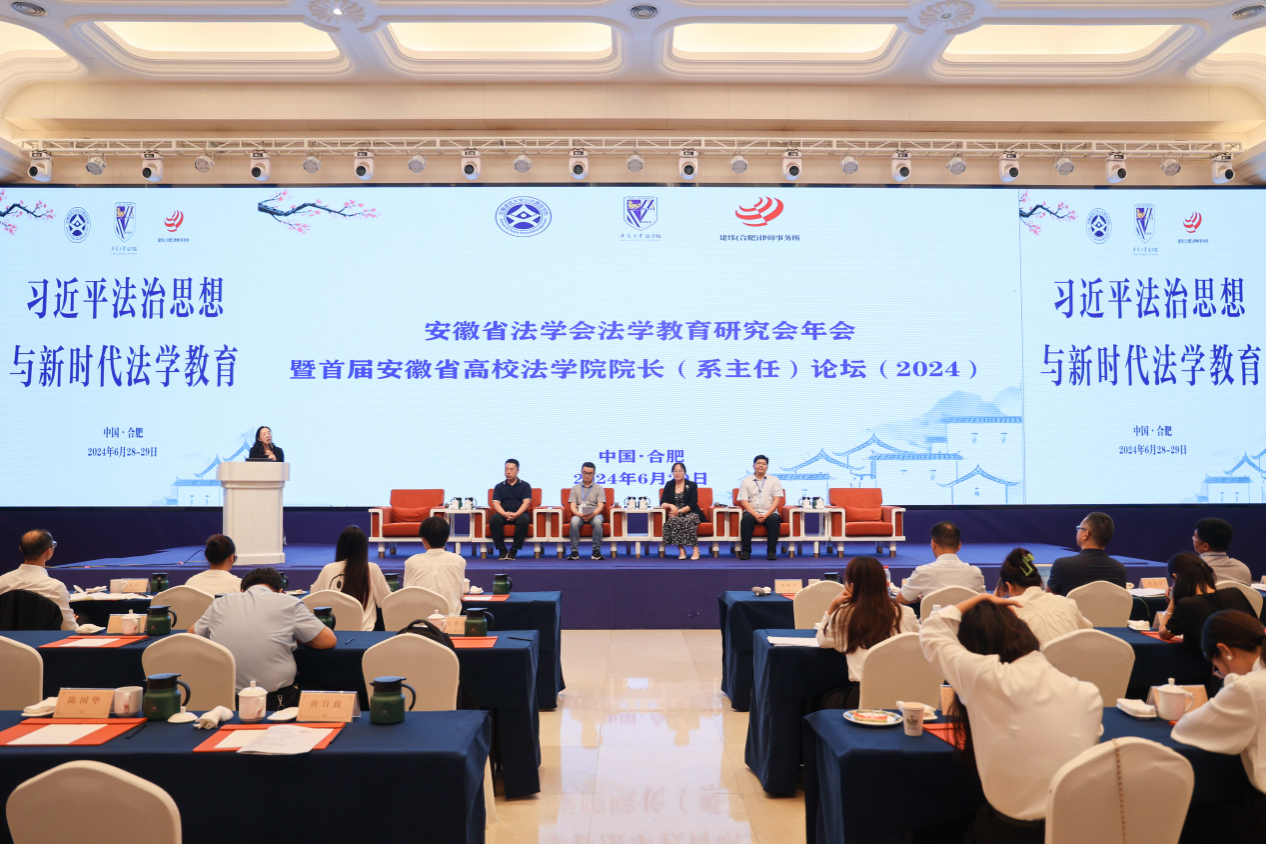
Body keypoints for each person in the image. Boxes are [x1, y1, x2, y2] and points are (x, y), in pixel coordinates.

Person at [921, 592, 1102, 842]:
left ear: (975, 648)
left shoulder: (988, 678)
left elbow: (932, 629)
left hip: (1006, 832)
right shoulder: (1088, 694)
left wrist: (980, 599)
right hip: (1073, 831)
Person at [1171, 610, 1266, 842]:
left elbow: (1187, 729)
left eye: (1216, 666)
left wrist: (1230, 683)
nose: (1220, 672)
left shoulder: (1248, 687)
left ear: (1225, 651)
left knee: (1194, 820)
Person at [190, 566, 335, 709]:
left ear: (242, 590)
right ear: (281, 591)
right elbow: (327, 641)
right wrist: (293, 637)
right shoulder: (288, 602)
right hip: (275, 700)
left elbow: (190, 638)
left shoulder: (219, 603)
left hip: (223, 701)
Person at [816, 556, 918, 707]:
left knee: (822, 698)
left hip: (864, 697)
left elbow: (823, 641)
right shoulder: (906, 612)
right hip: (906, 694)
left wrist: (833, 607)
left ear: (851, 586)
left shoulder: (844, 614)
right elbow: (920, 643)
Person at [1161, 552, 1255, 666]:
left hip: (1216, 669)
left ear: (1176, 578)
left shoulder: (1187, 605)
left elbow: (1163, 633)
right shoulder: (1234, 593)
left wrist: (1173, 602)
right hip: (1255, 663)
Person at [992, 547, 1091, 646]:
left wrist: (995, 599)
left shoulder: (1007, 612)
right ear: (1040, 584)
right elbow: (1089, 632)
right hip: (1070, 655)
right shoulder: (1067, 603)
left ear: (1009, 587)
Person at [311, 525, 391, 631]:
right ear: (363, 548)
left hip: (333, 632)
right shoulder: (372, 568)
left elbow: (314, 597)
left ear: (341, 546)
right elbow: (385, 602)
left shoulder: (328, 568)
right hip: (364, 633)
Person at [0, 529, 75, 630]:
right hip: (46, 639)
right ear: (48, 551)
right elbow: (67, 628)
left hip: (5, 638)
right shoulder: (56, 587)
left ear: (20, 548)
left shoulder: (2, 581)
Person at [898, 521, 985, 605]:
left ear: (933, 544)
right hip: (965, 616)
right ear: (959, 546)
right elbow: (983, 601)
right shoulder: (975, 572)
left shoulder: (922, 572)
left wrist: (920, 599)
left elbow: (901, 599)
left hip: (931, 616)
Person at [1046, 511, 1126, 596]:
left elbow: (1048, 597)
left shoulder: (1061, 565)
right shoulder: (1120, 569)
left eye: (1079, 528)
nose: (1077, 531)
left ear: (1085, 534)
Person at [403, 516, 467, 615]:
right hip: (450, 620)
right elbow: (459, 593)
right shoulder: (459, 560)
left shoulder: (411, 562)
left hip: (418, 620)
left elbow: (407, 592)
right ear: (447, 538)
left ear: (424, 539)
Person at [737, 455, 784, 561]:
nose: (761, 466)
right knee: (746, 519)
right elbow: (744, 501)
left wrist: (766, 514)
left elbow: (777, 500)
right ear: (753, 466)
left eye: (763, 464)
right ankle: (746, 551)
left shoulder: (774, 480)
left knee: (774, 519)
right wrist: (755, 514)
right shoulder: (746, 481)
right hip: (752, 512)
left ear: (767, 467)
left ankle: (771, 552)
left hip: (769, 512)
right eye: (758, 463)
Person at [489, 459, 532, 561]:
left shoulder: (525, 485)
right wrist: (504, 514)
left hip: (520, 513)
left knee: (524, 520)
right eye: (506, 469)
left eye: (511, 469)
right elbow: (496, 503)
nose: (508, 472)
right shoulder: (499, 486)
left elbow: (526, 503)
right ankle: (502, 550)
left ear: (517, 471)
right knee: (494, 520)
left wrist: (516, 514)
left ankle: (514, 550)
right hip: (503, 513)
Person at [661, 462, 704, 561]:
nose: (677, 473)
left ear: (684, 472)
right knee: (673, 521)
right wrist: (671, 505)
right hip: (675, 513)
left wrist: (679, 512)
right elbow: (662, 502)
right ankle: (681, 550)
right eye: (675, 471)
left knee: (688, 520)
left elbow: (692, 504)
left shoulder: (691, 485)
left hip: (690, 512)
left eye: (680, 471)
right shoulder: (669, 484)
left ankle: (696, 549)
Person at [1193, 518, 1251, 586]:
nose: (1192, 538)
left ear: (1205, 546)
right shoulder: (1243, 569)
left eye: (1195, 536)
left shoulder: (1192, 570)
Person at [568, 462, 606, 561]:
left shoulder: (599, 488)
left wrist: (592, 514)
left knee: (597, 521)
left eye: (590, 473)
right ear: (581, 472)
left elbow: (600, 506)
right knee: (574, 521)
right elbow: (572, 506)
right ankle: (574, 552)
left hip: (595, 513)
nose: (587, 475)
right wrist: (579, 514)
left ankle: (596, 552)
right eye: (585, 473)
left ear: (594, 474)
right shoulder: (575, 488)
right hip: (579, 513)